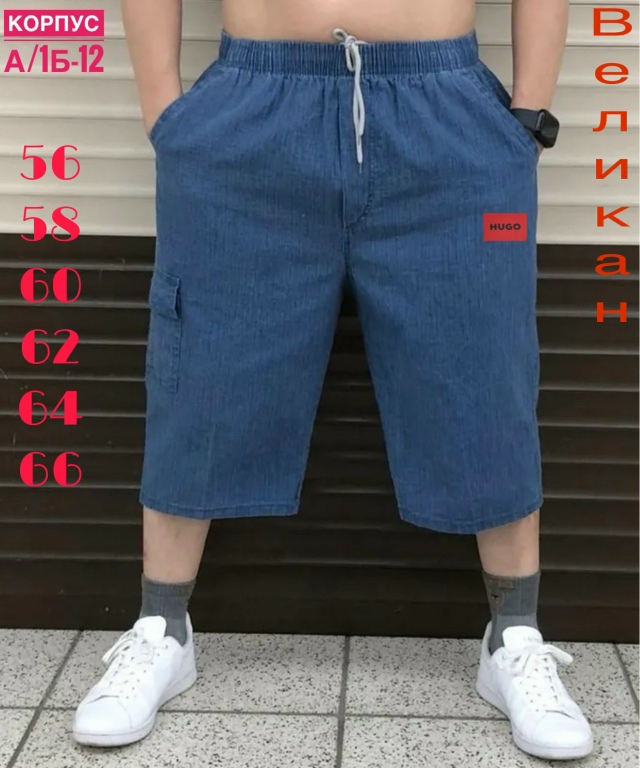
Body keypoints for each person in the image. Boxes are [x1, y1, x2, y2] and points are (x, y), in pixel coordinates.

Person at [72, 0, 593, 760]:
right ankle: (162, 629)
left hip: (450, 119)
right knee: (203, 363)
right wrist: (168, 117)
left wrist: (524, 121)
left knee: (485, 360)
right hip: (250, 112)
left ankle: (514, 636)